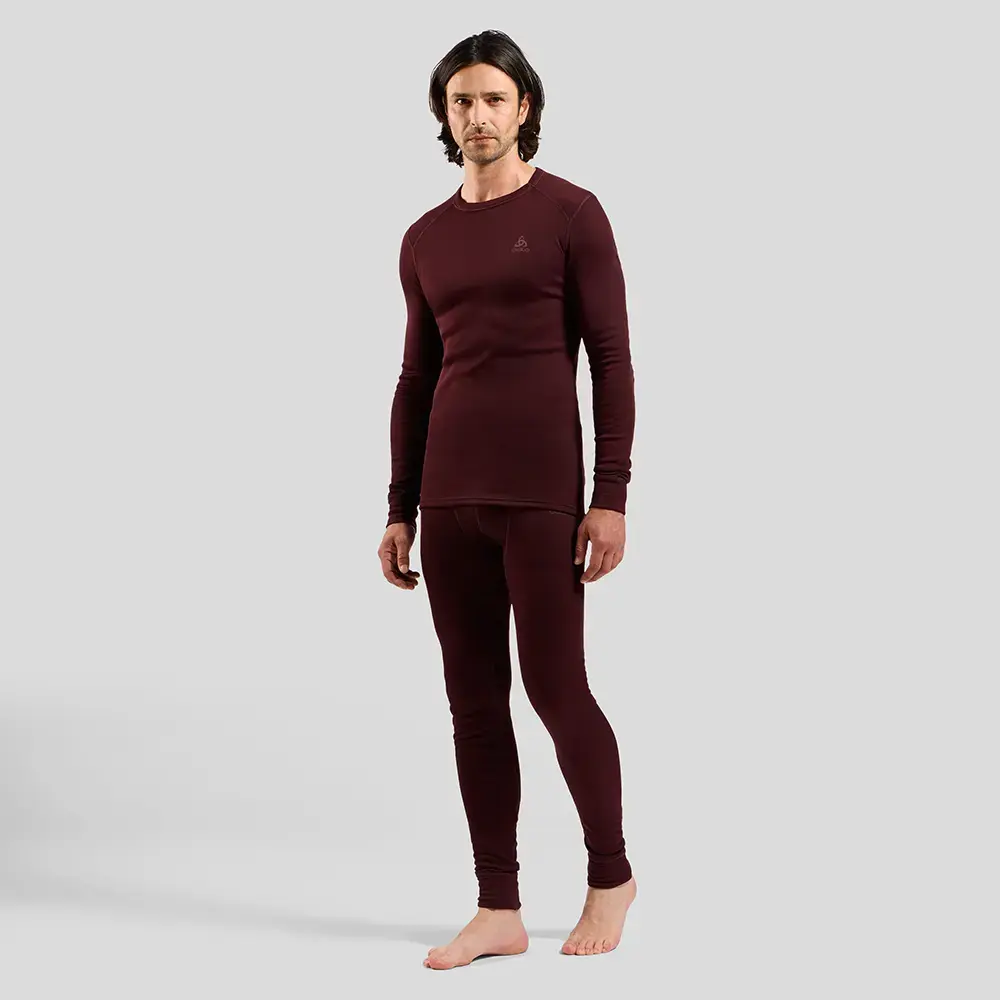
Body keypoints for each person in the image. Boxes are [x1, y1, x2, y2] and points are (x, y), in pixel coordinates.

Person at [376, 29, 638, 970]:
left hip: (541, 496)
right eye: (461, 101)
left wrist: (609, 495)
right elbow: (417, 377)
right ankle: (499, 907)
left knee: (557, 687)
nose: (478, 115)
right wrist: (400, 505)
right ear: (444, 116)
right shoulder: (424, 238)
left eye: (493, 98)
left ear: (525, 106)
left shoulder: (572, 214)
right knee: (474, 705)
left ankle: (610, 875)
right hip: (450, 501)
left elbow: (610, 358)